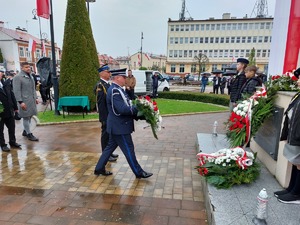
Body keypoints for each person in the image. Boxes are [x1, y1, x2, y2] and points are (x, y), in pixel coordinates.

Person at [94, 68, 153, 179]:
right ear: (117, 78)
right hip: (120, 127)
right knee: (129, 149)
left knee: (109, 148)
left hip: (117, 126)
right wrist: (137, 109)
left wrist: (138, 110)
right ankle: (138, 172)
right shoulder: (115, 91)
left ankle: (99, 168)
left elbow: (127, 103)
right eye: (123, 77)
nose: (125, 79)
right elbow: (121, 109)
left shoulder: (118, 89)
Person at [274, 67, 300, 204]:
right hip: (294, 135)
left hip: (298, 137)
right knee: (296, 163)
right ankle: (291, 189)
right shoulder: (298, 95)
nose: (298, 82)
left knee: (299, 164)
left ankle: (296, 194)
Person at [95, 64, 118, 162]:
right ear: (102, 73)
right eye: (108, 72)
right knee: (105, 135)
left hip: (110, 115)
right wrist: (103, 118)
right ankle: (106, 155)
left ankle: (109, 152)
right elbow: (101, 104)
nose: (110, 74)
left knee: (109, 135)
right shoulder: (100, 86)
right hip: (105, 116)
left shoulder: (107, 84)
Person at [13, 62, 39, 141]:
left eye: (29, 67)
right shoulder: (18, 77)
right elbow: (16, 90)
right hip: (24, 100)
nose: (28, 68)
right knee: (26, 117)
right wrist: (20, 102)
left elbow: (33, 88)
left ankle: (25, 130)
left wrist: (36, 98)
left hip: (31, 100)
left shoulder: (30, 76)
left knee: (30, 116)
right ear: (22, 68)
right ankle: (29, 134)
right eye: (26, 67)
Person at [0, 70, 21, 152]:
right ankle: (3, 145)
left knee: (12, 127)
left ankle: (12, 142)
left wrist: (15, 108)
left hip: (9, 110)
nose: (1, 74)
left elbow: (11, 95)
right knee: (0, 130)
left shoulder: (5, 83)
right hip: (0, 113)